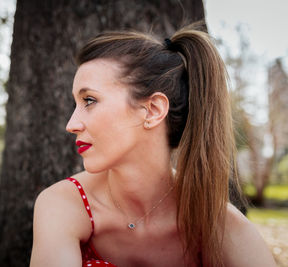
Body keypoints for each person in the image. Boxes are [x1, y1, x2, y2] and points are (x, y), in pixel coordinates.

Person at [30, 24, 276, 267]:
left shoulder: (222, 227)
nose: (71, 124)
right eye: (77, 103)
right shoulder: (63, 205)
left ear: (153, 110)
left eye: (90, 100)